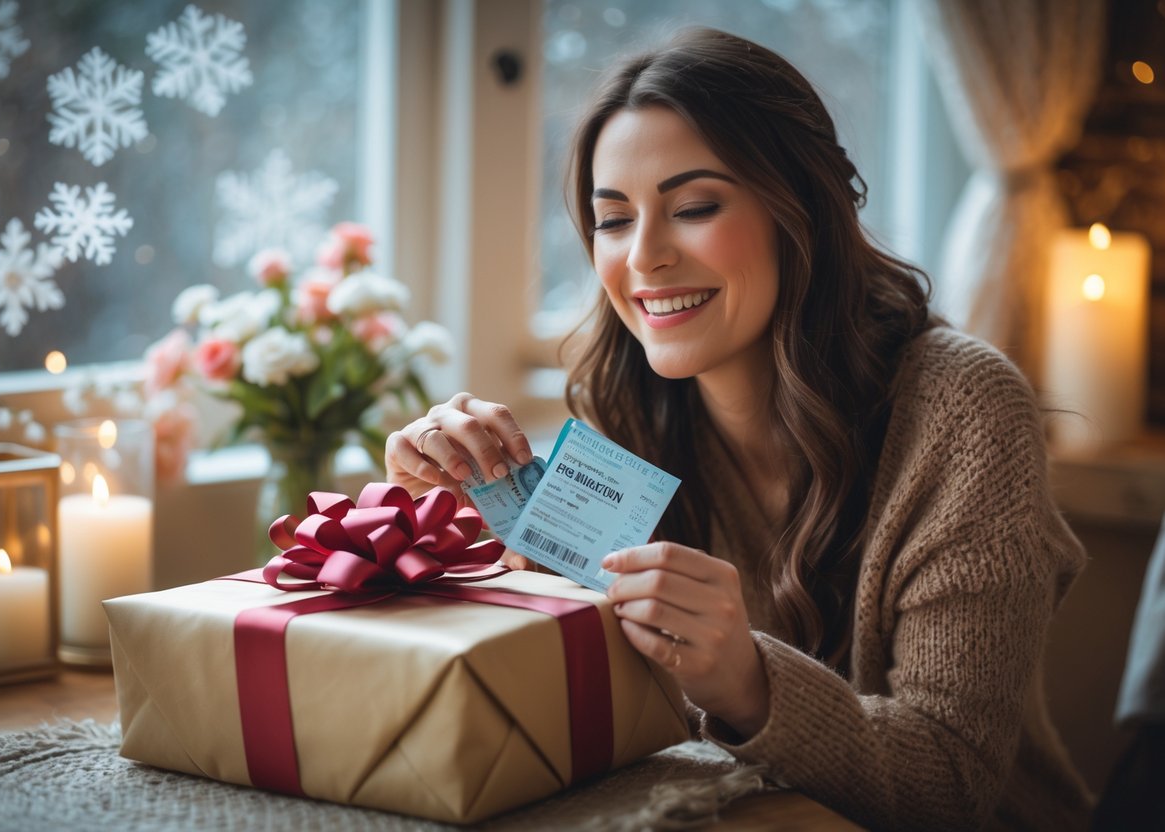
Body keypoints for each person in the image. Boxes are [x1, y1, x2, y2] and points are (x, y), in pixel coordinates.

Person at [385, 27, 1091, 831]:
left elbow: (949, 784)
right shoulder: (621, 406)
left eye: (692, 208)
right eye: (611, 220)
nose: (643, 257)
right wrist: (435, 523)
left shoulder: (963, 411)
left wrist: (749, 681)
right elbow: (545, 699)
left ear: (803, 213)